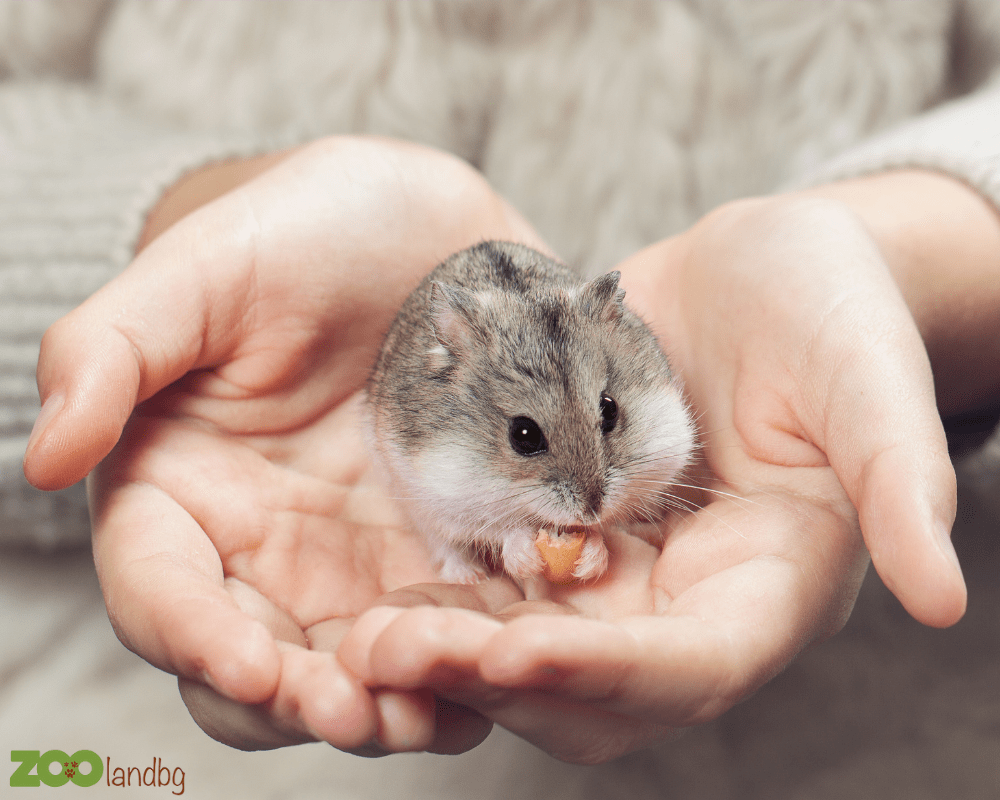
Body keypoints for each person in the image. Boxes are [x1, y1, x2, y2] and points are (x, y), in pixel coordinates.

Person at [10, 0, 1000, 763]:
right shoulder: (432, 408)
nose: (590, 489)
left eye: (608, 422)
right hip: (96, 714)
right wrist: (182, 233)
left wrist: (920, 258)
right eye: (529, 441)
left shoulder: (626, 372)